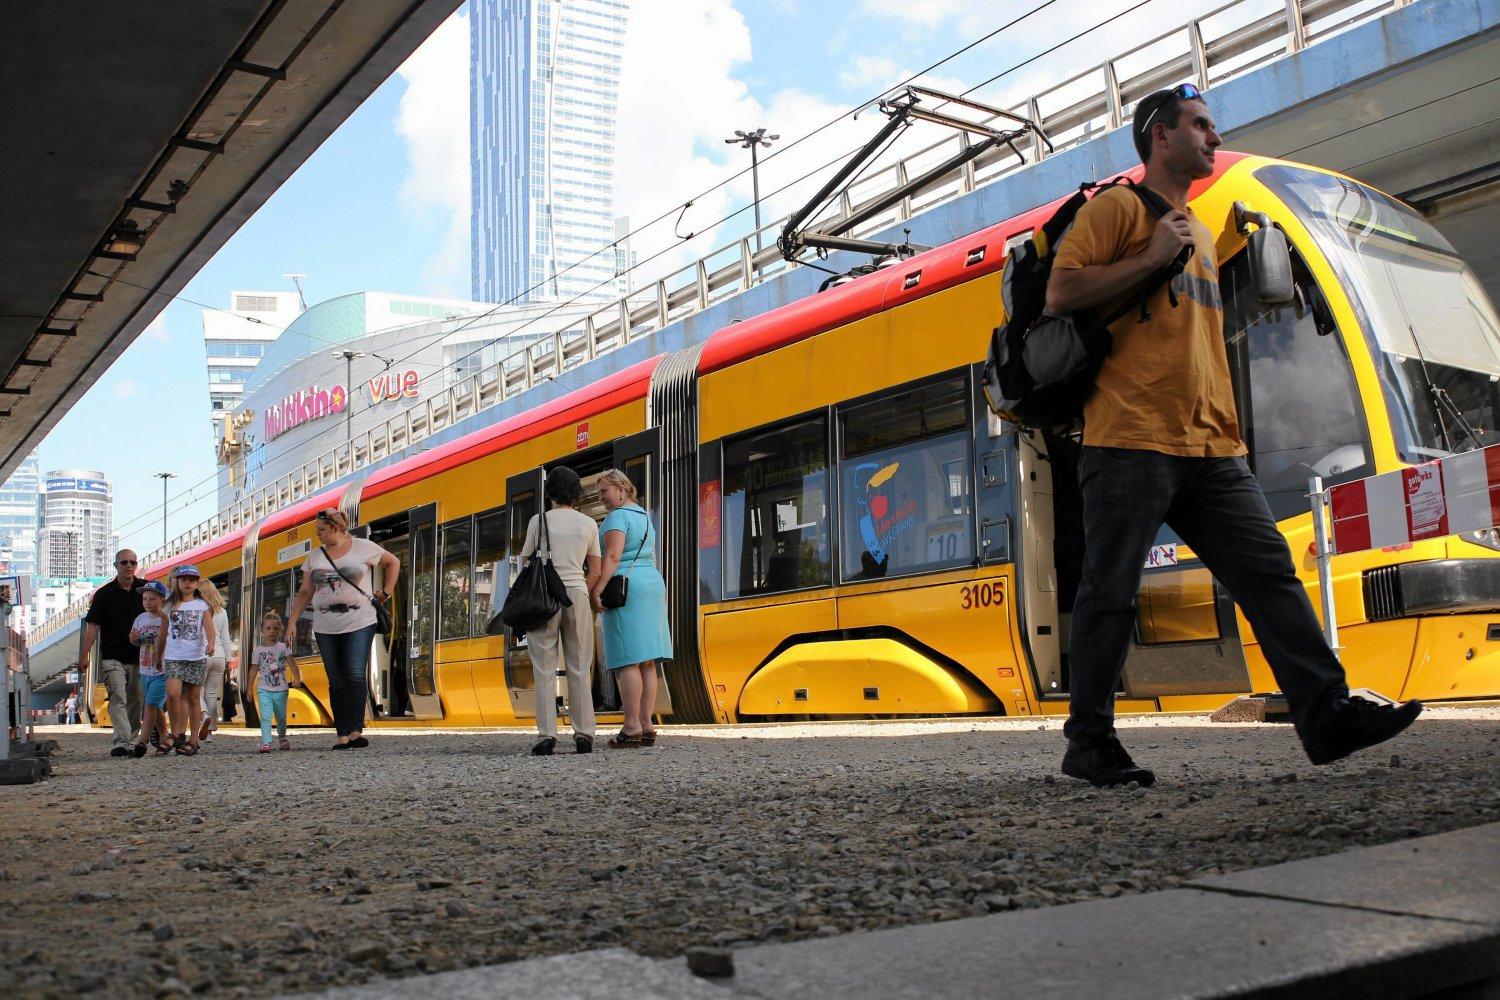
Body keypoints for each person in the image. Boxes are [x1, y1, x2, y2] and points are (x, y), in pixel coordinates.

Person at [1046, 83, 1422, 787]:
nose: (1214, 139)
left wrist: (1230, 426)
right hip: (1128, 436)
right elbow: (1062, 294)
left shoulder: (1202, 233)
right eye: (1201, 126)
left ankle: (1325, 712)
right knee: (1111, 592)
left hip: (1211, 447)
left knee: (1270, 574)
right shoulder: (1120, 211)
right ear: (1161, 137)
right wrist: (1151, 254)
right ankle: (1088, 741)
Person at [286, 507, 400, 750]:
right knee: (336, 679)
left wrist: (386, 593)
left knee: (355, 673)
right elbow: (305, 592)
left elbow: (393, 562)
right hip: (325, 624)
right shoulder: (314, 557)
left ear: (336, 528)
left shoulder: (363, 547)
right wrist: (292, 622)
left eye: (322, 530)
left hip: (360, 620)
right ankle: (342, 734)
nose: (318, 535)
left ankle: (356, 731)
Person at [520, 467, 602, 756]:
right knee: (580, 666)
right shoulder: (588, 524)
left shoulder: (538, 521)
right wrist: (578, 587)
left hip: (544, 599)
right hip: (577, 596)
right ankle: (584, 735)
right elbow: (596, 569)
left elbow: (526, 561)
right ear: (577, 493)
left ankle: (547, 736)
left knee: (543, 667)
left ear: (549, 493)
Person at [589, 469, 672, 748]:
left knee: (627, 660)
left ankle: (631, 726)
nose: (601, 497)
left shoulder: (617, 517)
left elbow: (612, 556)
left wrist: (597, 589)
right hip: (651, 582)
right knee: (647, 661)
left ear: (621, 489)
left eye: (604, 491)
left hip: (626, 587)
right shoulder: (644, 517)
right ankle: (647, 724)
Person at [76, 549, 148, 756]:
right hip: (112, 656)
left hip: (139, 657)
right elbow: (93, 627)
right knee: (118, 697)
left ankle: (132, 740)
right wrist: (84, 656)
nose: (129, 566)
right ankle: (121, 741)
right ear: (116, 565)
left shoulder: (145, 589)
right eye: (124, 562)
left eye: (132, 562)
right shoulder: (104, 594)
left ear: (136, 565)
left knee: (136, 699)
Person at [163, 565, 214, 756]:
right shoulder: (169, 605)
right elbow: (163, 629)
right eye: (183, 579)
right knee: (173, 694)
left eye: (191, 580)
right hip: (173, 656)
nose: (187, 583)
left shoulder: (202, 605)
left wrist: (211, 643)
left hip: (196, 657)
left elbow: (209, 627)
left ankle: (193, 740)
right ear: (176, 581)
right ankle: (176, 732)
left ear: (196, 583)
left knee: (193, 698)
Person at [128, 581, 171, 757]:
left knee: (150, 704)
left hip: (162, 670)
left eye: (152, 599)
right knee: (156, 706)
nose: (147, 602)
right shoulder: (140, 619)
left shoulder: (165, 619)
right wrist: (133, 639)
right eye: (145, 599)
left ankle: (141, 742)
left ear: (162, 599)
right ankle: (165, 737)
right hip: (145, 669)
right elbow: (134, 640)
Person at [247, 612, 300, 753]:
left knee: (281, 717)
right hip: (263, 689)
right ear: (262, 631)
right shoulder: (258, 651)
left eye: (275, 628)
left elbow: (292, 663)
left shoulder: (284, 648)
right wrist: (249, 688)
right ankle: (266, 742)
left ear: (280, 630)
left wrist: (297, 677)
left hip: (281, 690)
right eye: (268, 628)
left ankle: (282, 737)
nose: (272, 631)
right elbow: (253, 669)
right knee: (265, 716)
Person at [196, 579, 232, 743]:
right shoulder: (222, 612)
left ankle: (204, 718)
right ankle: (209, 733)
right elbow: (225, 638)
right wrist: (229, 660)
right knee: (211, 694)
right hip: (219, 656)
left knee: (198, 692)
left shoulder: (198, 611)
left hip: (202, 654)